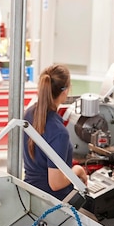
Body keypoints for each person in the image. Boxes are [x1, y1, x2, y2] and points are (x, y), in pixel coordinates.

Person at [23, 64, 87, 200]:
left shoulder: (29, 113)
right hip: (53, 202)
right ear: (65, 91)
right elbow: (56, 184)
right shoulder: (59, 132)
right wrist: (78, 170)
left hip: (30, 194)